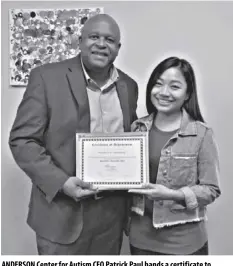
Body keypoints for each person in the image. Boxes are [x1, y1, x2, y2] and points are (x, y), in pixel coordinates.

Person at [9, 14, 138, 255]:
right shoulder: (46, 77)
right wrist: (62, 183)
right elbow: (22, 140)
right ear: (80, 41)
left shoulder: (129, 86)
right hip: (61, 214)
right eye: (94, 37)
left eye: (109, 39)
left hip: (111, 218)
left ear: (118, 48)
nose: (101, 44)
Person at [128, 57, 220, 255]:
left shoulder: (201, 134)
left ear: (187, 94)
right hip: (140, 240)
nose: (164, 93)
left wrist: (173, 195)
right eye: (158, 84)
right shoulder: (136, 128)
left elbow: (211, 190)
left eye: (175, 86)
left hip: (185, 244)